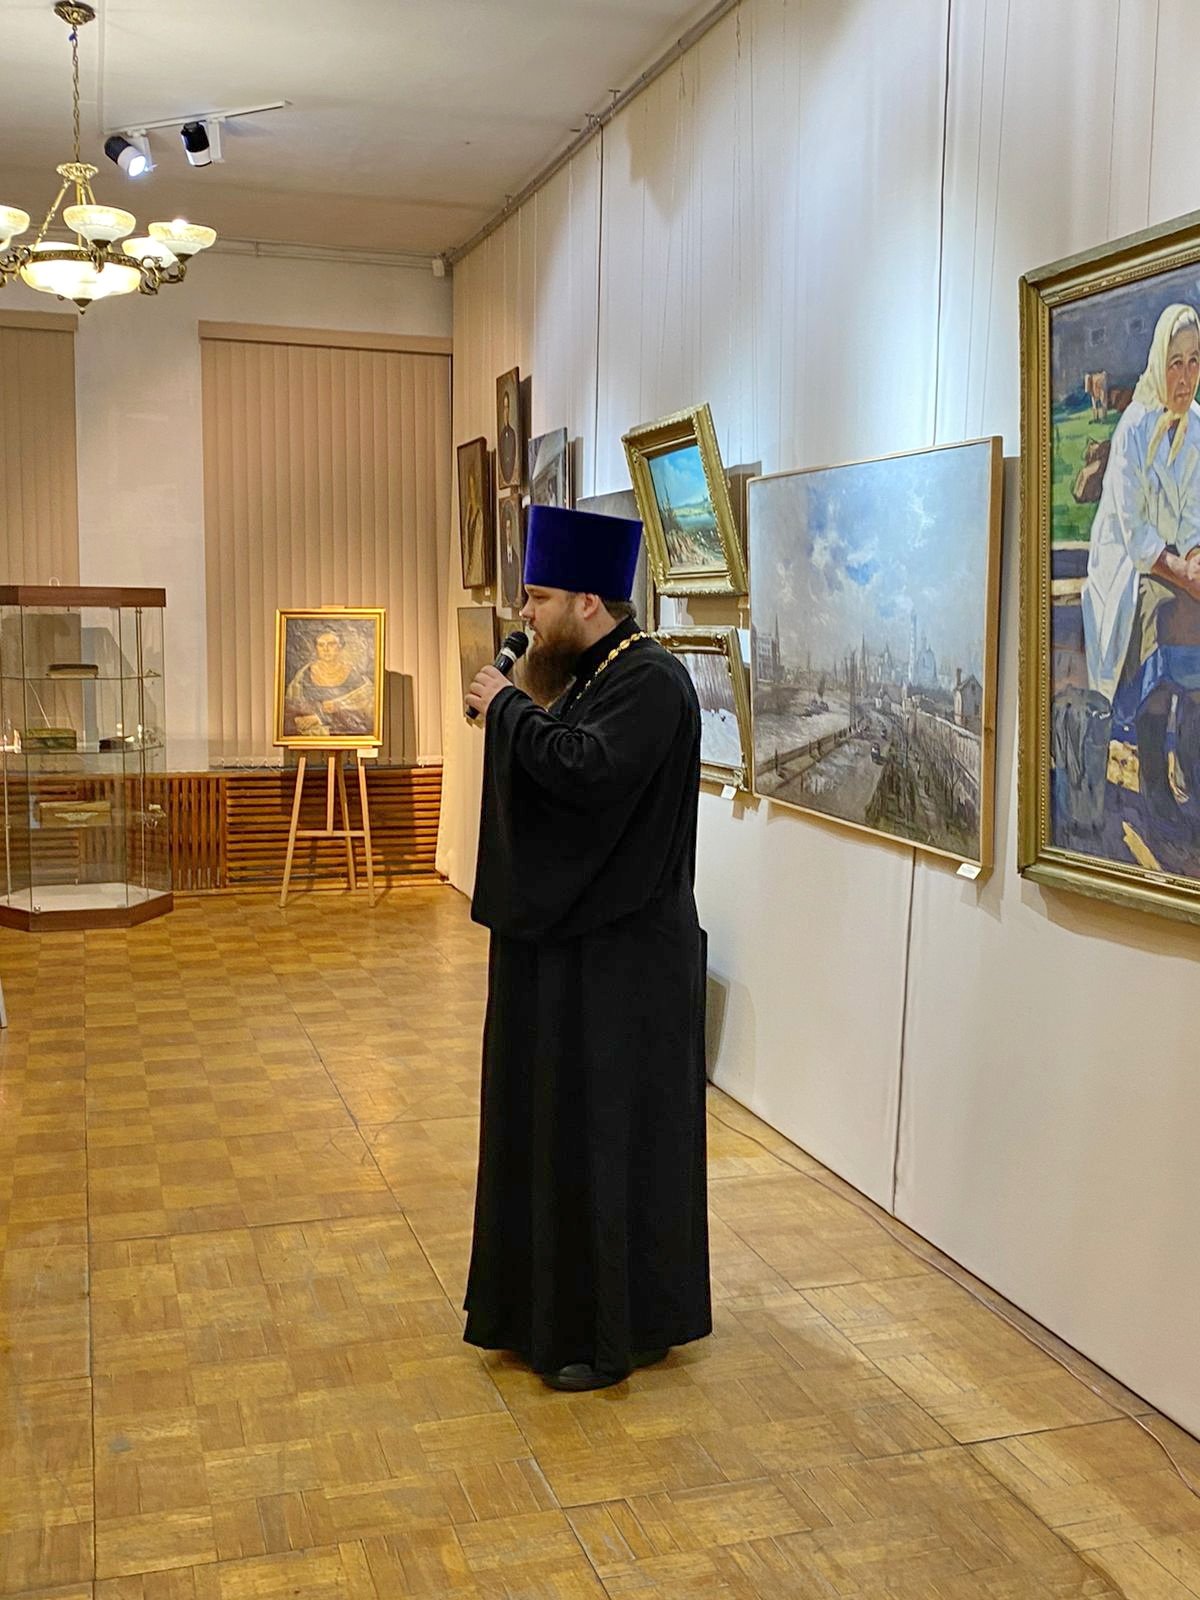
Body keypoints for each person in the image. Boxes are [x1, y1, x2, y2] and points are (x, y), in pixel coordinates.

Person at [464, 503, 711, 1392]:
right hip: (578, 950)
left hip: (625, 965)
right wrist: (519, 715)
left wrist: (508, 712)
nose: (525, 615)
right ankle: (546, 1312)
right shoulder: (592, 675)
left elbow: (588, 774)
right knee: (561, 1134)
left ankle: (611, 1333)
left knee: (610, 1142)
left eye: (537, 598)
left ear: (588, 601)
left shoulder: (651, 681)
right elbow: (566, 763)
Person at [1082, 302, 1200, 823]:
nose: (1185, 377)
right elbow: (1134, 536)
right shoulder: (1134, 426)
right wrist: (1183, 572)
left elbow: (1195, 514)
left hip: (1175, 564)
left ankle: (1191, 766)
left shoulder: (1198, 428)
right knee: (1163, 614)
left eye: (1194, 361)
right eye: (1175, 363)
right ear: (1158, 364)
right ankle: (1154, 775)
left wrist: (1195, 558)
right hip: (1130, 570)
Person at [284, 627, 374, 738]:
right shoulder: (302, 676)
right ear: (316, 648)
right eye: (321, 645)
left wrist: (321, 716)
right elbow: (292, 708)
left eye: (331, 644)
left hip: (343, 734)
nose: (325, 649)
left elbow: (365, 710)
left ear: (340, 647)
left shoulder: (354, 675)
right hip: (310, 736)